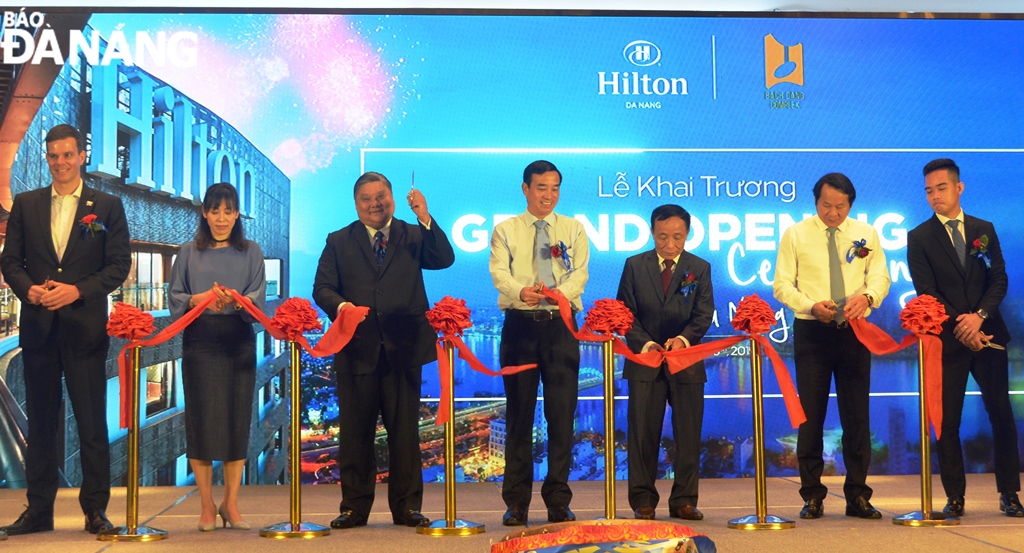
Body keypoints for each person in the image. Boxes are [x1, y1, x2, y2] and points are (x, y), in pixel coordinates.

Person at [0, 124, 131, 535]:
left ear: (81, 156)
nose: (60, 162)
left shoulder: (107, 206)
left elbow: (118, 265)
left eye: (67, 155)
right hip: (39, 330)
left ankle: (95, 510)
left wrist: (77, 291)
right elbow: (11, 263)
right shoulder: (26, 203)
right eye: (53, 156)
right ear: (47, 157)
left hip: (85, 330)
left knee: (92, 423)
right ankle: (39, 510)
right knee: (40, 423)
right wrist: (31, 292)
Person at [313, 172, 454, 529]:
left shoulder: (412, 233)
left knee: (405, 434)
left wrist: (425, 217)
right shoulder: (338, 240)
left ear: (393, 197)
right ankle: (354, 509)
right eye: (367, 198)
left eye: (381, 196)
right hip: (356, 349)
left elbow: (443, 258)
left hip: (404, 348)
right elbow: (322, 288)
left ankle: (407, 508)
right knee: (356, 434)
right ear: (356, 203)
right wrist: (342, 307)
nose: (375, 204)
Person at [906, 158, 1022, 517]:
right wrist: (962, 324)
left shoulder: (982, 229)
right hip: (949, 339)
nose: (934, 196)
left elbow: (998, 279)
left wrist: (979, 318)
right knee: (949, 421)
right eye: (928, 190)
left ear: (959, 188)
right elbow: (926, 292)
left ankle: (1009, 494)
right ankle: (955, 497)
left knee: (1001, 414)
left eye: (941, 188)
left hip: (988, 335)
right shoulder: (919, 237)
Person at [773, 172, 890, 520]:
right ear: (815, 201)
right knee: (811, 417)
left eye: (840, 206)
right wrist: (810, 306)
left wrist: (868, 296)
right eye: (826, 205)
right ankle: (812, 495)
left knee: (857, 416)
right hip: (812, 331)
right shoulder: (795, 234)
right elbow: (782, 285)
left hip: (855, 330)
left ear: (850, 204)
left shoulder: (866, 234)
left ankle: (858, 495)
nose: (833, 213)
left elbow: (880, 276)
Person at [489, 160, 589, 526]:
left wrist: (556, 295)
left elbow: (580, 273)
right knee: (518, 417)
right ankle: (516, 502)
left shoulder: (573, 228)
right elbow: (499, 272)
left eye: (555, 188)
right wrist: (522, 291)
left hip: (561, 326)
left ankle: (558, 501)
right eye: (541, 187)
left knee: (562, 417)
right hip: (520, 327)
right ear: (526, 189)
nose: (548, 195)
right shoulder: (506, 230)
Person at [167, 182, 266, 531]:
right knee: (202, 420)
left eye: (229, 210)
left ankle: (232, 503)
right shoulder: (187, 252)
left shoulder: (251, 250)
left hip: (238, 340)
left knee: (237, 419)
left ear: (237, 214)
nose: (221, 218)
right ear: (205, 213)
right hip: (201, 341)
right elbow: (176, 296)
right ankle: (207, 505)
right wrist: (199, 299)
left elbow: (257, 297)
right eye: (214, 210)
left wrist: (239, 300)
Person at [616, 204, 714, 521]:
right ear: (651, 233)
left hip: (685, 361)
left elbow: (703, 315)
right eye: (662, 237)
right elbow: (623, 313)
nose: (669, 245)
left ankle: (684, 500)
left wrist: (683, 340)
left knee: (687, 435)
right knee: (643, 434)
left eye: (677, 237)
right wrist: (646, 343)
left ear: (687, 234)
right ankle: (642, 500)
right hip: (645, 361)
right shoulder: (634, 265)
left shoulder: (698, 268)